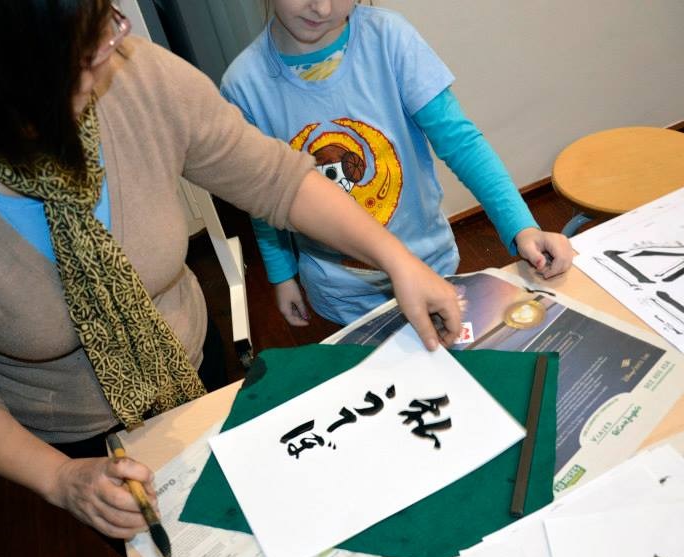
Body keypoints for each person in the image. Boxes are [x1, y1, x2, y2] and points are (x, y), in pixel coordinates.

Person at [0, 0, 463, 545]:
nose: (116, 43)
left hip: (194, 365)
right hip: (70, 439)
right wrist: (62, 479)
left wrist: (395, 258)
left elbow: (275, 179)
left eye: (104, 17)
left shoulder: (137, 75)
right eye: (79, 49)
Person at [221, 0, 574, 327]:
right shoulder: (244, 85)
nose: (323, 8)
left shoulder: (389, 37)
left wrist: (522, 226)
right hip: (340, 293)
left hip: (431, 270)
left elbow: (462, 143)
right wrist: (282, 275)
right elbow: (265, 199)